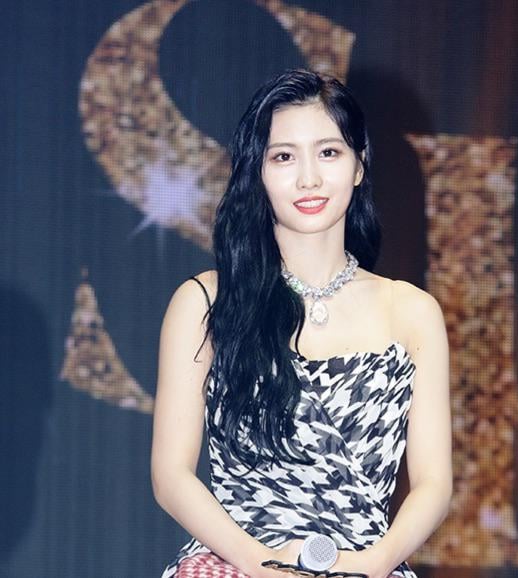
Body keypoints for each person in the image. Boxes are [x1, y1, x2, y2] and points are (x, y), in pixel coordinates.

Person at [151, 69, 451, 578]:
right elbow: (171, 476)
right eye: (284, 157)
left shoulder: (412, 312)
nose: (308, 178)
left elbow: (433, 483)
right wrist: (260, 564)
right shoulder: (205, 303)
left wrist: (374, 563)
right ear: (257, 172)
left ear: (359, 165)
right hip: (235, 562)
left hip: (365, 563)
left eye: (328, 152)